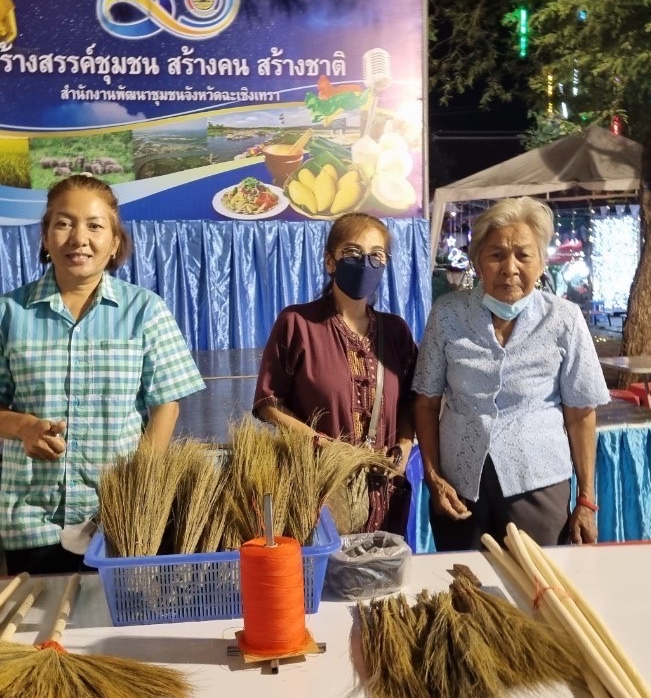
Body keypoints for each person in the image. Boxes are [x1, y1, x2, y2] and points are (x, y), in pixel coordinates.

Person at [0, 175, 205, 576]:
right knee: (37, 615)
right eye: (64, 223)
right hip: (33, 521)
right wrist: (24, 427)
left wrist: (140, 487)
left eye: (95, 225)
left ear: (115, 241)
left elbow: (165, 406)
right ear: (45, 237)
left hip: (117, 520)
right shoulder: (8, 313)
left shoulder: (145, 311)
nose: (79, 238)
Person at [413, 196, 610, 550]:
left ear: (542, 262)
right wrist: (433, 479)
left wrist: (586, 500)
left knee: (537, 579)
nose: (510, 268)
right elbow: (426, 403)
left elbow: (581, 413)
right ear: (477, 261)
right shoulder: (447, 314)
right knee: (463, 580)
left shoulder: (564, 319)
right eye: (496, 255)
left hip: (539, 483)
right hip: (459, 487)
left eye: (523, 255)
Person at [253, 212, 418, 533]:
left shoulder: (396, 331)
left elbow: (411, 402)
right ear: (331, 262)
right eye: (353, 253)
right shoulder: (298, 324)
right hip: (321, 490)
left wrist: (404, 447)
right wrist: (324, 445)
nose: (366, 263)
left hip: (384, 494)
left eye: (377, 255)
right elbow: (268, 404)